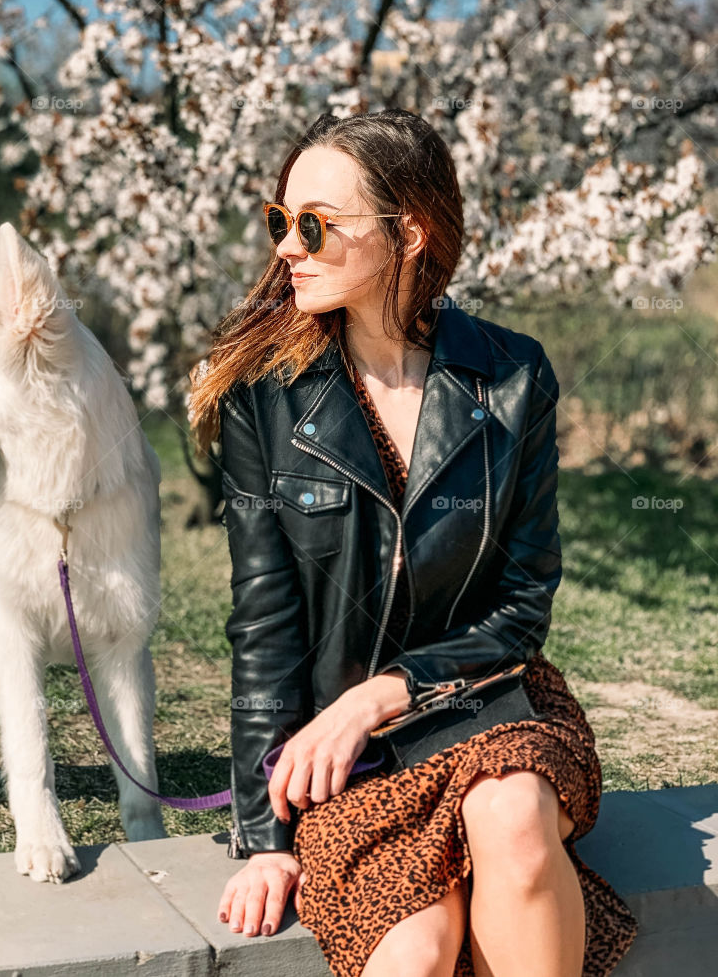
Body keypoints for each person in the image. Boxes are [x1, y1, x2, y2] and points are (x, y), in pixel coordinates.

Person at [187, 109, 640, 977]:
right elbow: (265, 624)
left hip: (479, 702)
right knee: (419, 950)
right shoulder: (265, 396)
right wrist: (265, 836)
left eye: (315, 223)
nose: (287, 246)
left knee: (514, 823)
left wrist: (382, 694)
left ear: (409, 234)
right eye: (279, 221)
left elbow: (520, 608)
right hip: (338, 753)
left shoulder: (512, 379)